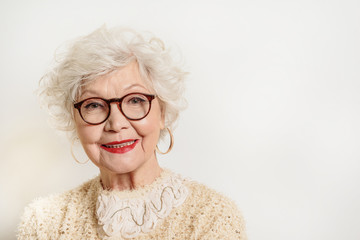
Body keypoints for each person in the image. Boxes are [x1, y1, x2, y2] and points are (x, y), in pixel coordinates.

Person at [17, 26, 247, 240]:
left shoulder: (213, 217)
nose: (116, 124)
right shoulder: (42, 223)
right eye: (94, 105)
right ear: (73, 119)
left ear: (162, 112)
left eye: (135, 100)